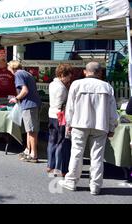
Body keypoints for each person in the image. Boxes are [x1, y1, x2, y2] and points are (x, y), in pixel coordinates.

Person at [59, 62, 118, 195]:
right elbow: (112, 110)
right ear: (100, 73)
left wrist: (68, 124)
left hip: (79, 124)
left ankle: (71, 181)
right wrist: (112, 126)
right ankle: (95, 186)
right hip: (100, 125)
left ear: (85, 71)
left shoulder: (76, 84)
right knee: (97, 156)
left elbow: (70, 108)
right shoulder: (107, 87)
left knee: (76, 152)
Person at [8, 60, 42, 163]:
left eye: (9, 68)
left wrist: (16, 98)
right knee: (30, 130)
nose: (9, 70)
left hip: (29, 105)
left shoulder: (18, 74)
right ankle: (28, 151)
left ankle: (34, 154)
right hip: (33, 104)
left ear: (12, 68)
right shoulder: (26, 73)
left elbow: (25, 90)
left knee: (31, 131)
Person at [47, 64, 72, 177]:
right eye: (68, 76)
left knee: (52, 140)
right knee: (61, 141)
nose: (69, 79)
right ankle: (60, 168)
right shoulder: (62, 88)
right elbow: (63, 104)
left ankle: (50, 165)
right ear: (62, 75)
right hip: (60, 115)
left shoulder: (52, 84)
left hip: (51, 114)